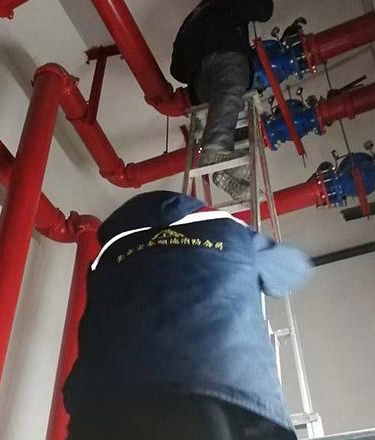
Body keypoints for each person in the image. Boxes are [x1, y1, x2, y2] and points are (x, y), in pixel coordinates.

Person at [64, 191, 311, 439]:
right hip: (221, 391)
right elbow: (292, 268)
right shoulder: (231, 231)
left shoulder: (108, 253)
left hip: (103, 399)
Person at [171, 0, 274, 199]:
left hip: (200, 87)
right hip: (227, 57)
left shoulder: (190, 20)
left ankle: (235, 178)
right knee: (231, 92)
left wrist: (197, 61)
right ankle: (214, 150)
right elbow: (264, 10)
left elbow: (176, 71)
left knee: (234, 117)